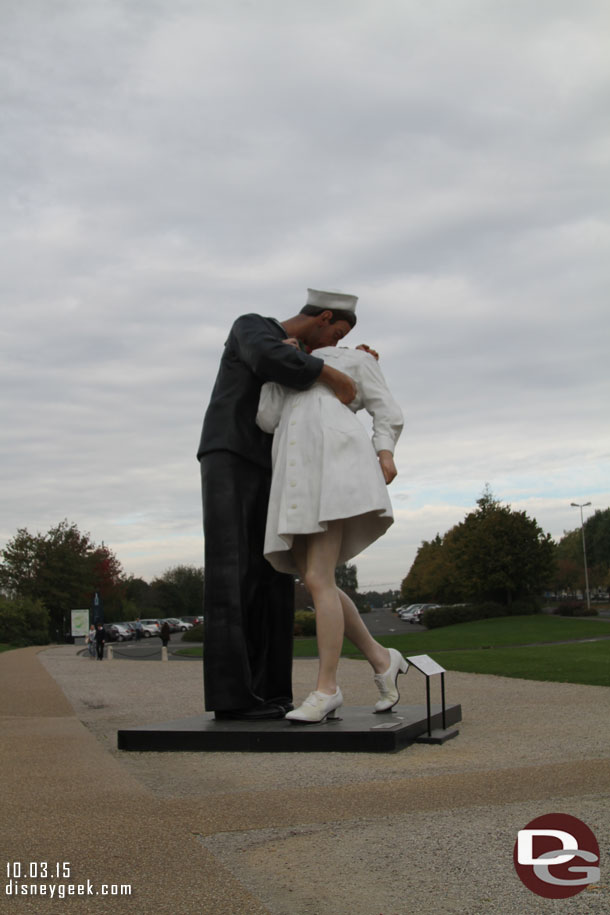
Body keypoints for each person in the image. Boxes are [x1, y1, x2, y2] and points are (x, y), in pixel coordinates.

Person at [197, 288, 363, 720]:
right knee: (232, 572)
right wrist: (333, 372)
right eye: (337, 334)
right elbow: (273, 360)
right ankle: (235, 696)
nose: (336, 345)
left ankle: (271, 691)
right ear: (323, 318)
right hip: (231, 454)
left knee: (274, 573)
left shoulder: (299, 359)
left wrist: (354, 365)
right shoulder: (253, 326)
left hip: (274, 465)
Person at [256, 337, 405, 723]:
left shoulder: (354, 359)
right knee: (317, 579)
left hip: (334, 468)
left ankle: (327, 688)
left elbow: (385, 409)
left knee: (319, 577)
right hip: (295, 475)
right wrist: (276, 368)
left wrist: (384, 450)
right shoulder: (289, 364)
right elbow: (267, 420)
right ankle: (381, 658)